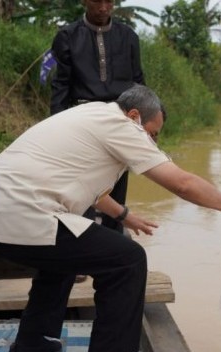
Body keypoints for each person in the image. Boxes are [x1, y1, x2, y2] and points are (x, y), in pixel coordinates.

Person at [0, 85, 221, 352]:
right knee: (127, 259)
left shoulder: (92, 114)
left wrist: (124, 216)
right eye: (153, 133)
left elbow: (90, 187)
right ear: (134, 116)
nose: (152, 141)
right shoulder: (121, 126)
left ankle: (32, 344)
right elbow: (183, 183)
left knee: (64, 256)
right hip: (21, 212)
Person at [50, 0, 145, 236]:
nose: (103, 8)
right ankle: (82, 252)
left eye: (108, 1)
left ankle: (113, 254)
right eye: (97, 1)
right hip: (83, 120)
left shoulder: (128, 36)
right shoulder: (66, 36)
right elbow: (61, 85)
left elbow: (138, 81)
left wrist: (141, 124)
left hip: (120, 119)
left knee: (117, 188)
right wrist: (56, 127)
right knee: (81, 190)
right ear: (84, 1)